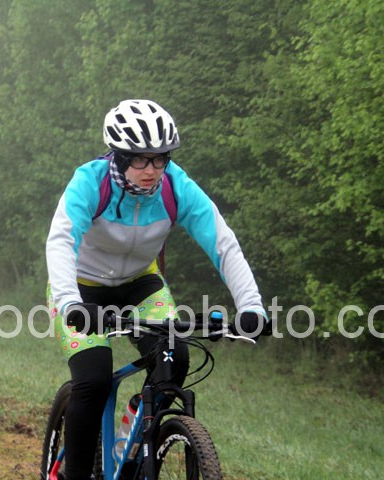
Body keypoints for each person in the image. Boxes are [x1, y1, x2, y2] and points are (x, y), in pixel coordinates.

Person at [45, 99, 271, 479]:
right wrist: (71, 303)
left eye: (160, 159)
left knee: (175, 358)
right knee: (94, 379)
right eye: (139, 159)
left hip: (140, 284)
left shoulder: (176, 187)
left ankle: (132, 439)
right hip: (81, 289)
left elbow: (222, 243)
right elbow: (60, 242)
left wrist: (251, 306)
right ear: (118, 157)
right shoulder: (90, 182)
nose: (151, 170)